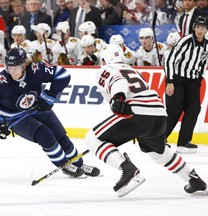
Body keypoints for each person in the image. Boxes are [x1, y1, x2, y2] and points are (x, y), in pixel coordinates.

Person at [84, 43, 207, 197]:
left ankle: (127, 169)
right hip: (159, 114)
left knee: (93, 138)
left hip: (136, 113)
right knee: (159, 152)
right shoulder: (132, 69)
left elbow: (118, 82)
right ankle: (193, 179)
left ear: (103, 60)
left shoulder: (106, 69)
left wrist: (118, 98)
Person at [0, 47, 100, 178]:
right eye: (9, 67)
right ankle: (64, 165)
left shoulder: (36, 70)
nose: (12, 71)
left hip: (37, 108)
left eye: (16, 67)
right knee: (45, 135)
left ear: (24, 65)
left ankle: (78, 164)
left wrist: (50, 94)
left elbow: (63, 74)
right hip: (15, 117)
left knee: (61, 136)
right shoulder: (2, 81)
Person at [164, 15, 208, 153]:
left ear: (207, 30)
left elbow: (203, 63)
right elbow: (169, 60)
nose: (200, 30)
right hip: (177, 79)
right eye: (198, 27)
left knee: (194, 109)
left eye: (203, 28)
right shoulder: (185, 41)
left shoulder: (207, 45)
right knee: (174, 110)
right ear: (194, 27)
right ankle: (159, 139)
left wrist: (198, 79)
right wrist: (170, 81)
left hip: (193, 82)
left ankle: (183, 142)